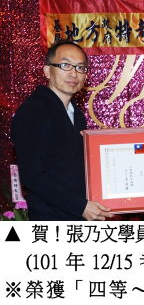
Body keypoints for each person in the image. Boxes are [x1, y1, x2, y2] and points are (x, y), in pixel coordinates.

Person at [11, 40, 113, 221]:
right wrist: (79, 206)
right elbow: (32, 175)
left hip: (78, 216)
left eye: (80, 67)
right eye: (65, 65)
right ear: (47, 71)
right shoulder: (33, 111)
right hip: (52, 220)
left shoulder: (76, 115)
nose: (74, 73)